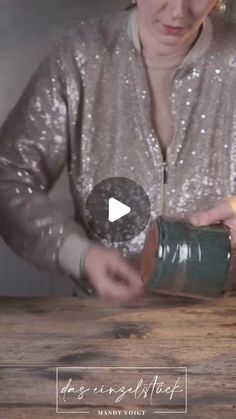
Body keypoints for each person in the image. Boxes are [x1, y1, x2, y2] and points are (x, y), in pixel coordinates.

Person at [0, 0, 235, 303]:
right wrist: (79, 254)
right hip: (103, 319)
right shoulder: (81, 54)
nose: (178, 11)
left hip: (222, 320)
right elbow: (8, 175)